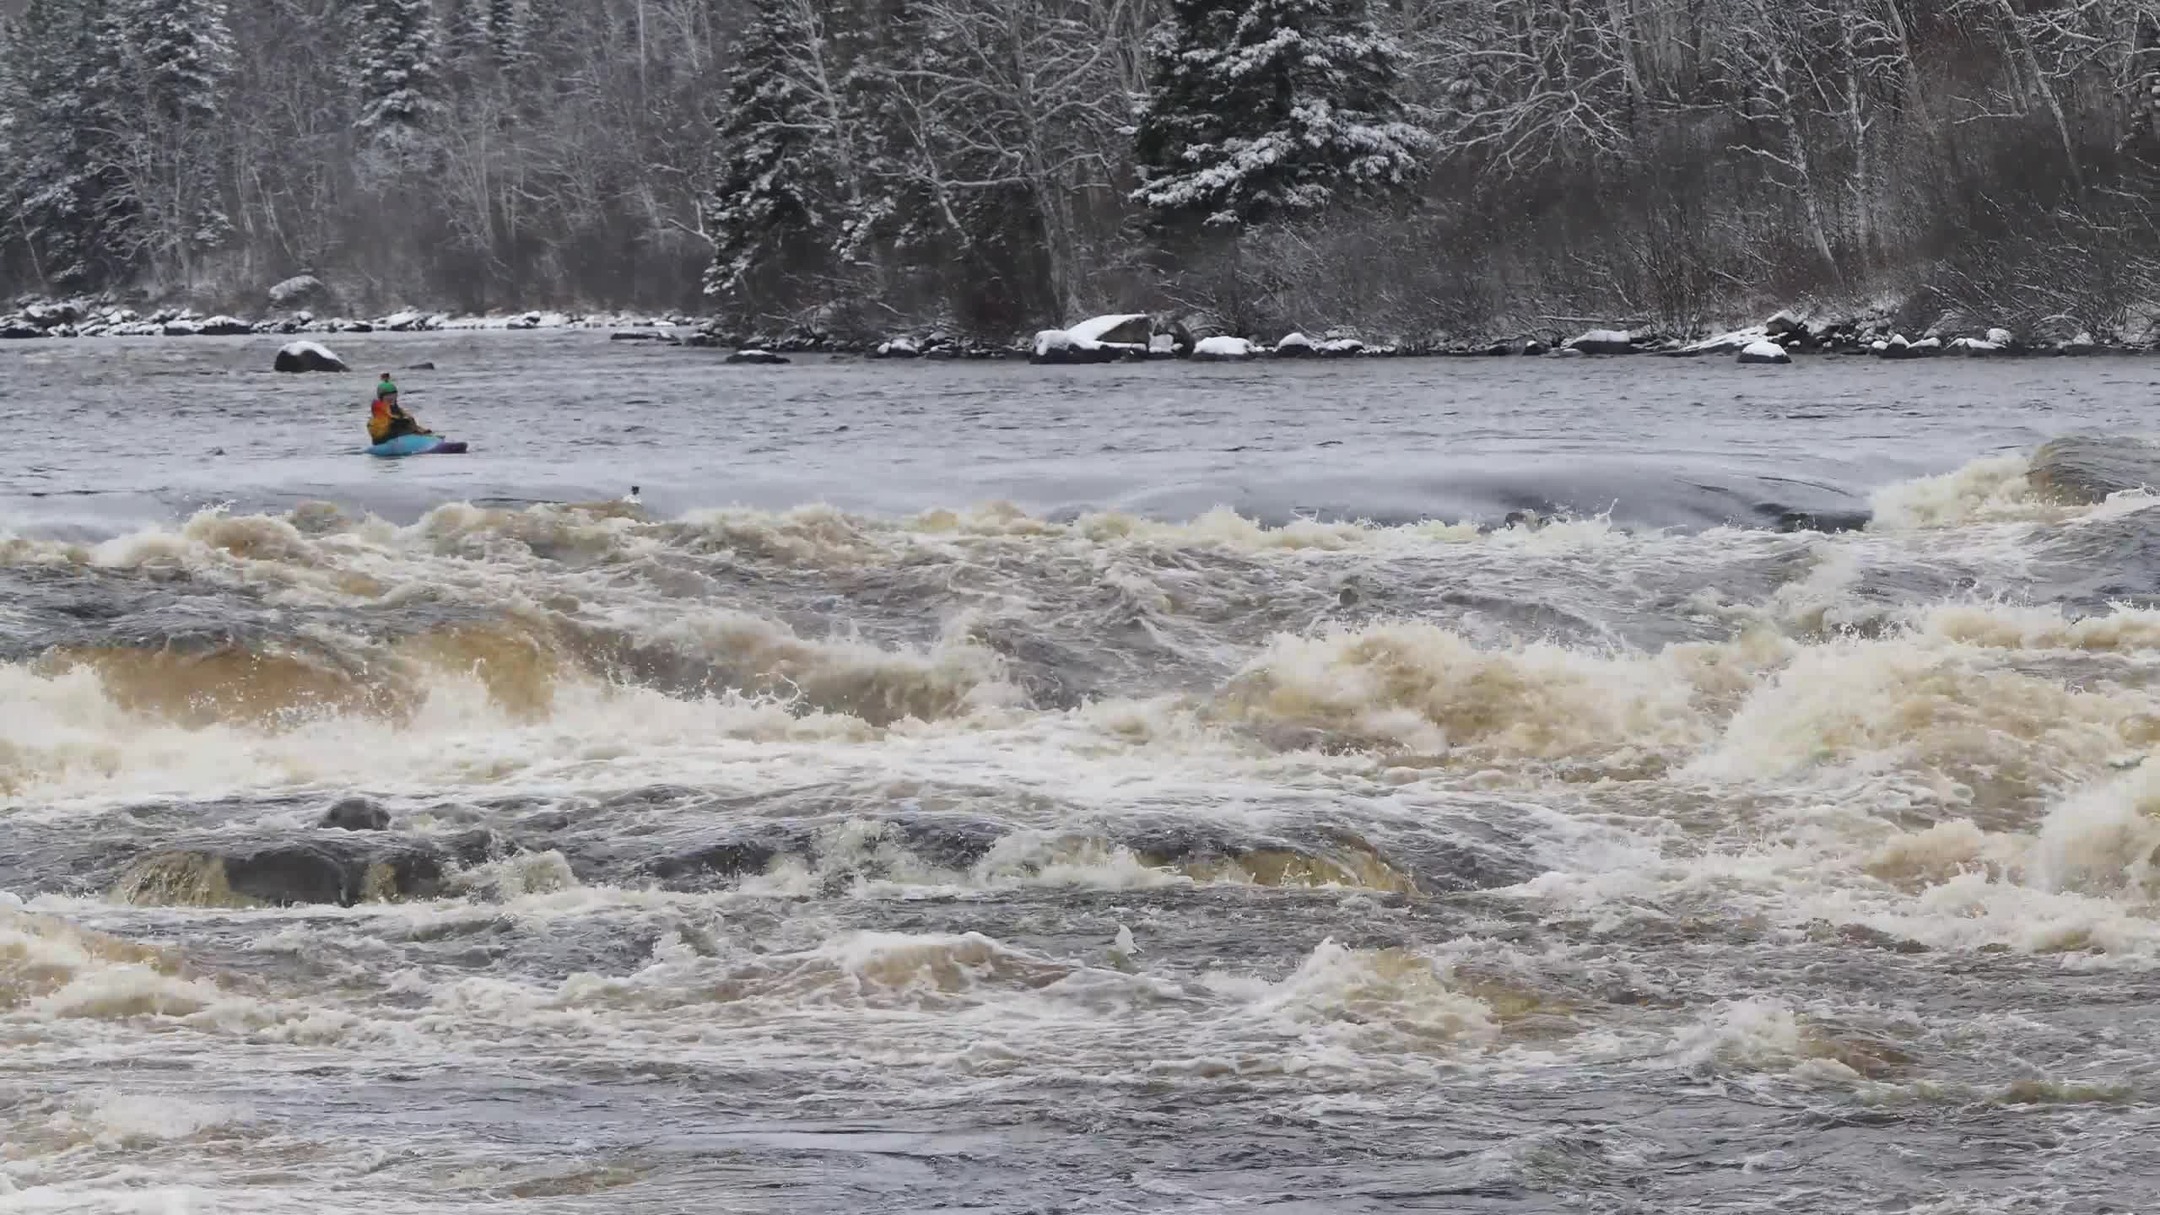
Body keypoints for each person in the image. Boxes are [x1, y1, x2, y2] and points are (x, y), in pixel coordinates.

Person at [366, 375, 430, 444]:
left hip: (404, 439)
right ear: (381, 398)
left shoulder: (400, 411)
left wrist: (422, 431)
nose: (391, 398)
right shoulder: (378, 415)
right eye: (387, 395)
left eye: (393, 395)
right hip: (386, 441)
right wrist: (392, 424)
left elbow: (412, 425)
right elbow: (377, 433)